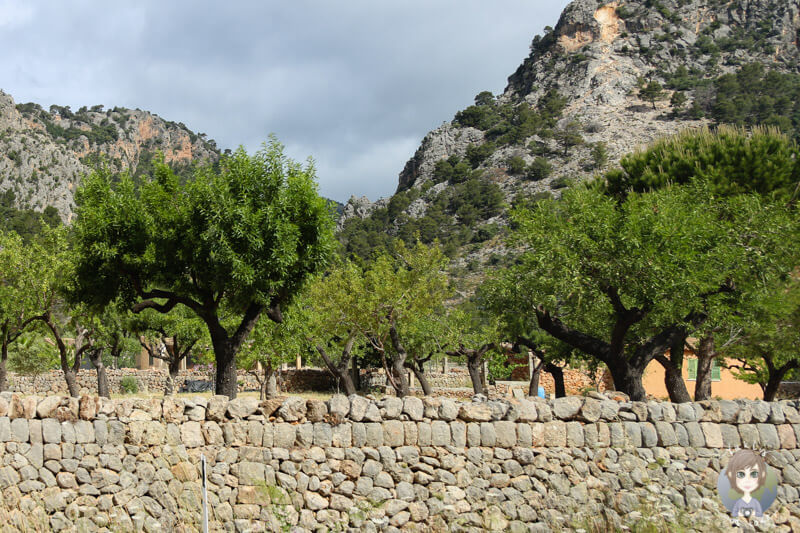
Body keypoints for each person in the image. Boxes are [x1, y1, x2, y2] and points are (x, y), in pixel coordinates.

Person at [725, 449, 767, 519]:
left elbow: (759, 513)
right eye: (741, 474)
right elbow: (734, 513)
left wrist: (753, 513)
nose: (747, 480)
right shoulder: (739, 502)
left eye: (754, 474)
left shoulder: (755, 502)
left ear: (762, 475)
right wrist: (740, 514)